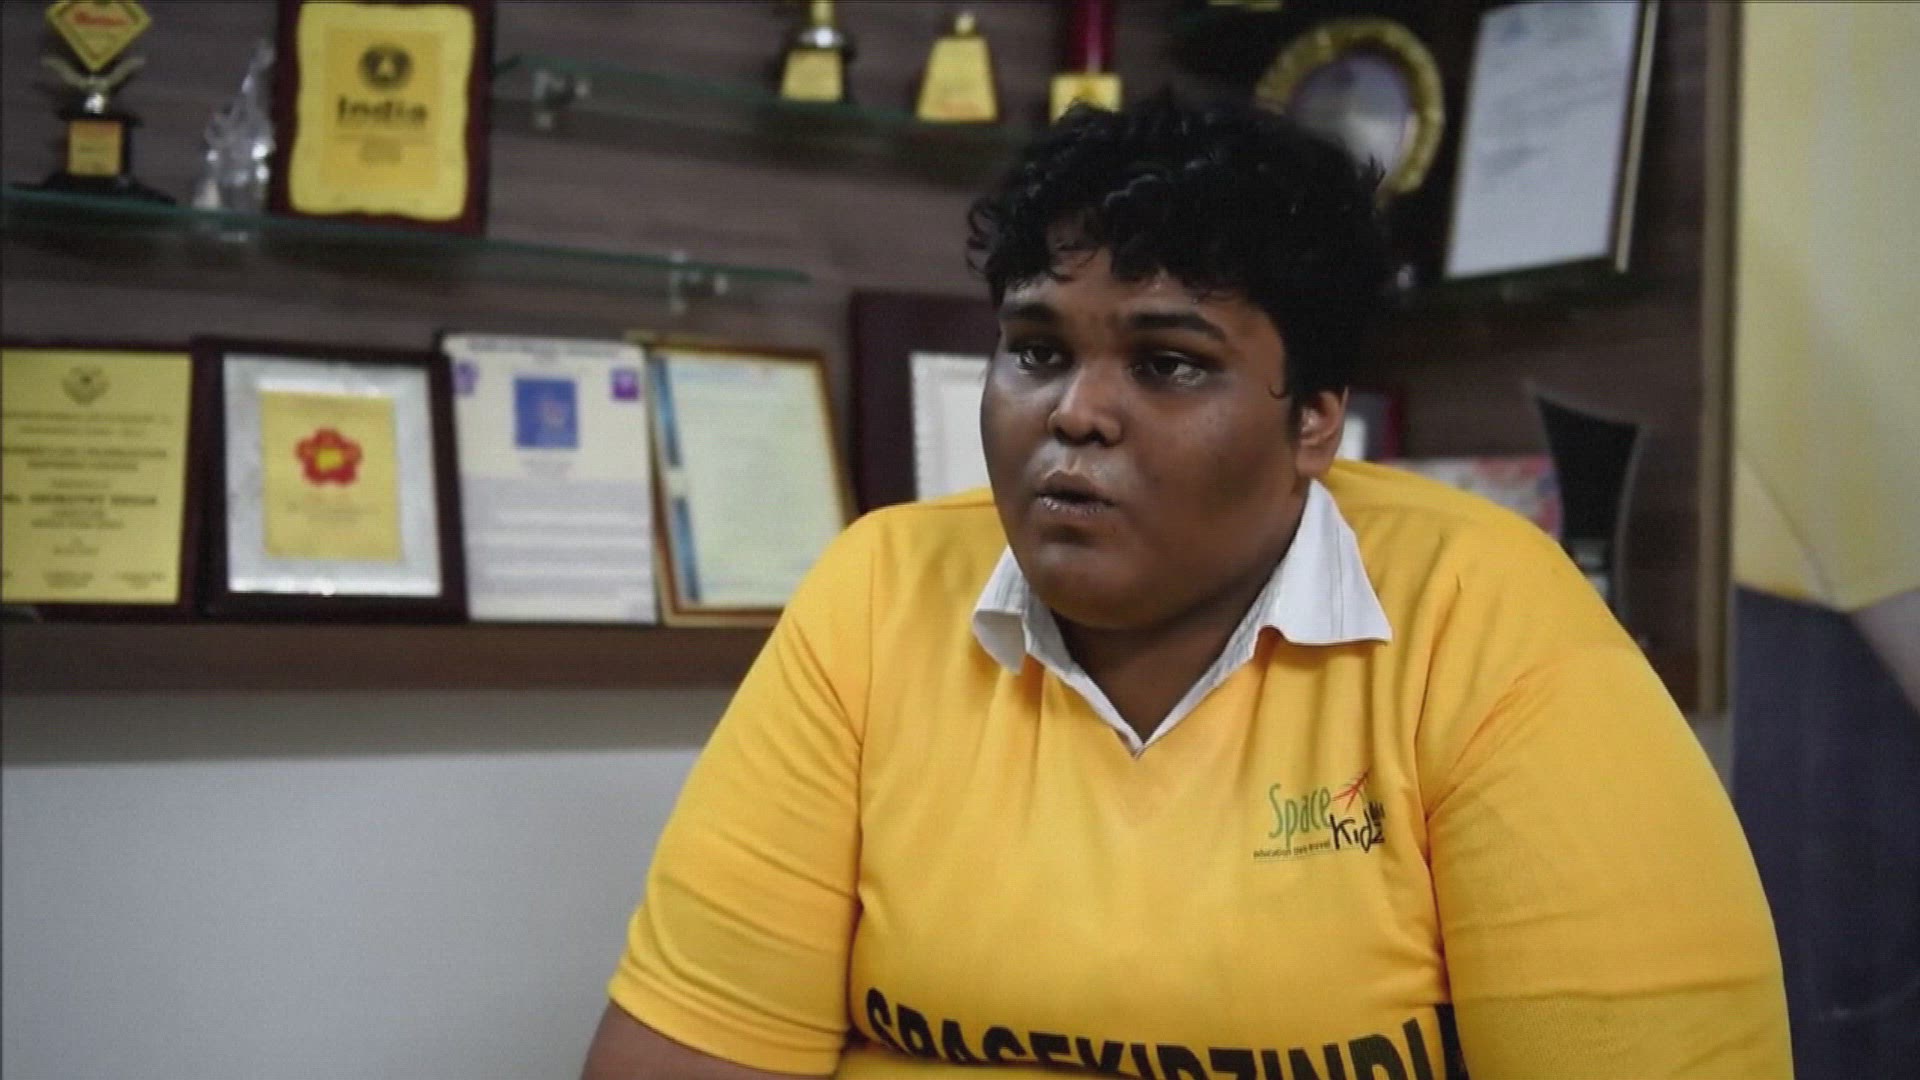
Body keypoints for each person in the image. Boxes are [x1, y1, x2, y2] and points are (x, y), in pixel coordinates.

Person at [582, 96, 1791, 1080]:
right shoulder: (879, 591)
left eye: (1167, 364)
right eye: (1037, 351)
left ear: (1315, 421)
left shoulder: (1490, 625)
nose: (1075, 413)